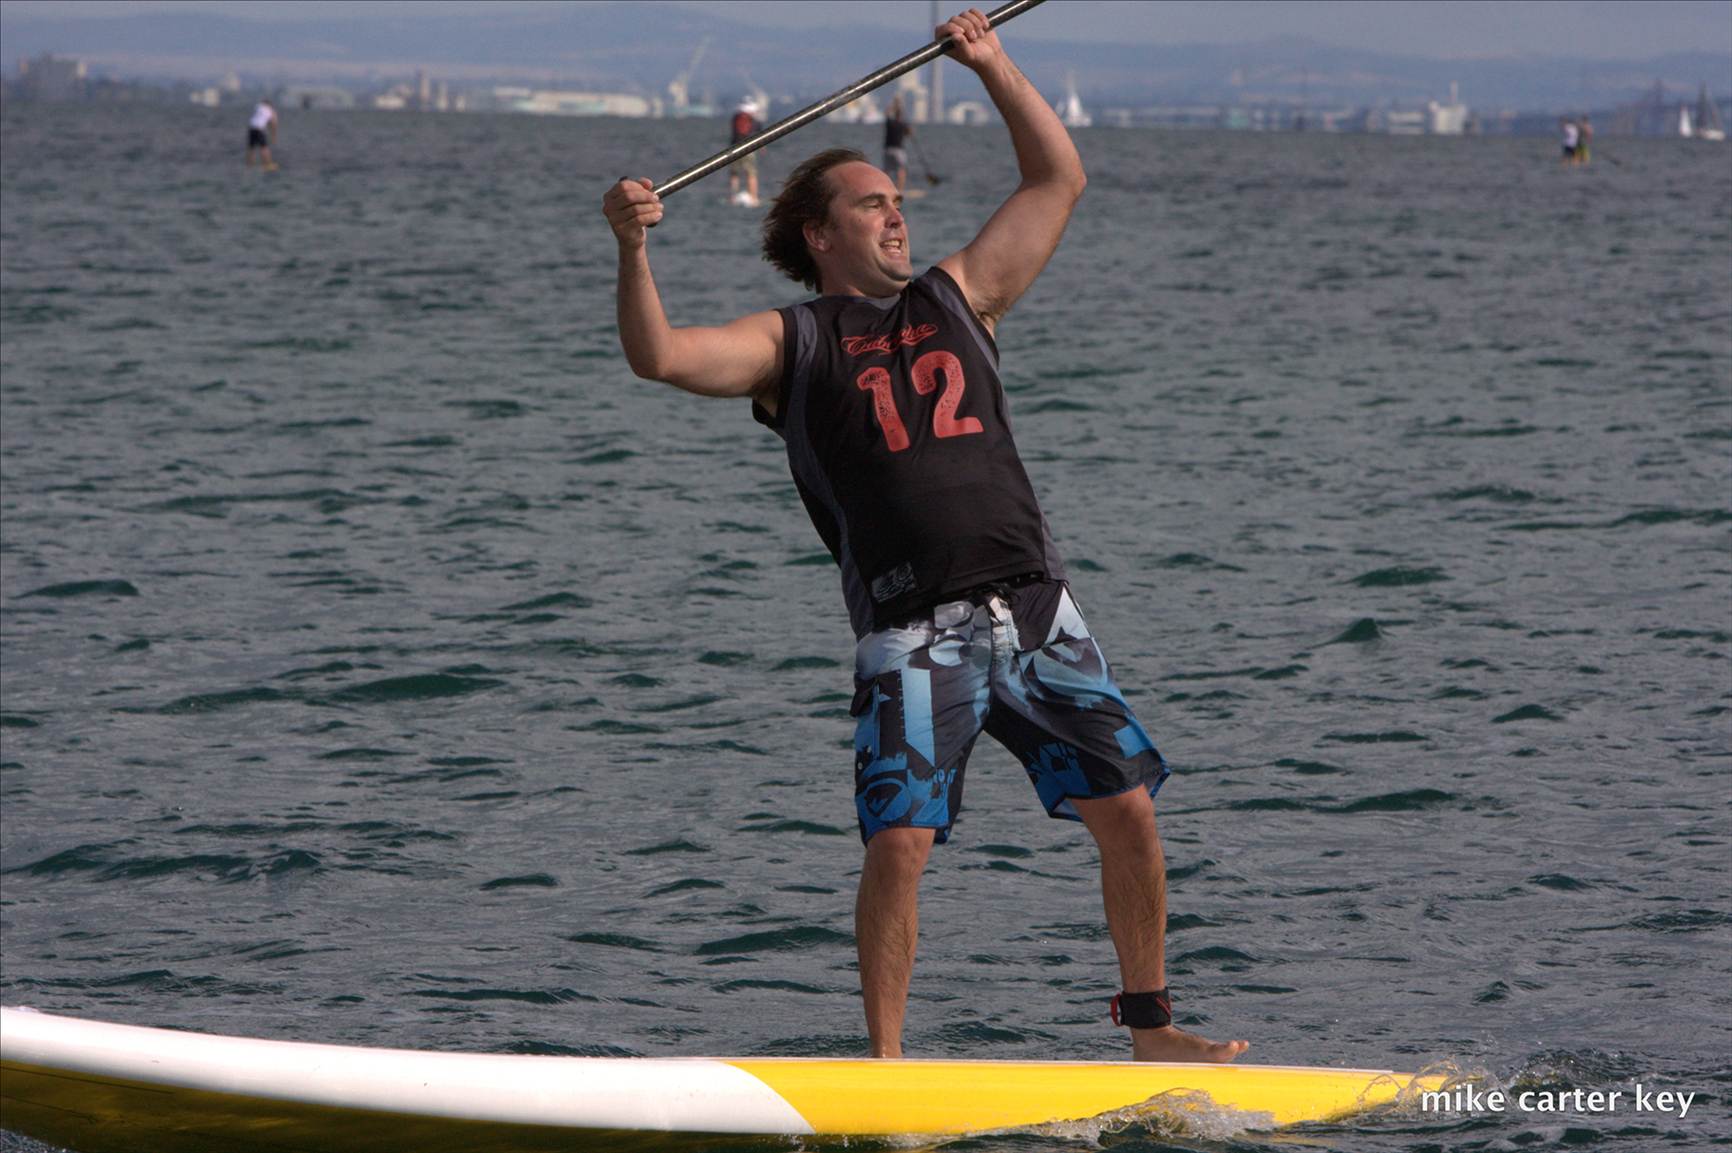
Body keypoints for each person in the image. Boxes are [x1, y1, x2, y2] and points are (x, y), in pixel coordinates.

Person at [602, 7, 1248, 1065]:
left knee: (1128, 811)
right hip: (912, 631)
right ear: (820, 236)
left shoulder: (962, 296)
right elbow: (661, 356)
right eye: (872, 206)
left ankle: (1152, 1028)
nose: (895, 218)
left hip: (1033, 608)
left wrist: (991, 62)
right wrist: (633, 248)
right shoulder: (792, 341)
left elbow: (1058, 179)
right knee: (900, 842)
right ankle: (888, 1066)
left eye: (898, 204)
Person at [728, 98, 763, 206]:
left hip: (734, 148)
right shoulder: (753, 119)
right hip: (748, 148)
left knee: (734, 174)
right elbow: (759, 133)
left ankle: (733, 198)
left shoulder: (736, 117)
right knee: (751, 174)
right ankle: (754, 198)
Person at [884, 96, 913, 193]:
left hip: (888, 150)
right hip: (898, 151)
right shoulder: (903, 125)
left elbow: (887, 112)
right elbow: (910, 133)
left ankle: (886, 189)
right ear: (901, 116)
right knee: (901, 171)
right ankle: (899, 191)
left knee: (887, 171)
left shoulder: (890, 123)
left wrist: (894, 105)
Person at [246, 99, 278, 171]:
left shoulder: (258, 107)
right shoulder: (270, 110)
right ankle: (267, 165)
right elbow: (274, 123)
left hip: (251, 128)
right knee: (264, 147)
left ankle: (249, 165)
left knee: (251, 147)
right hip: (259, 129)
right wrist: (274, 136)